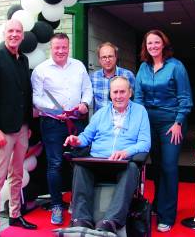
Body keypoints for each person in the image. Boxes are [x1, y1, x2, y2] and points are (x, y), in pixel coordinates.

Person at [64, 76, 151, 234]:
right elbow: (86, 137)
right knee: (80, 167)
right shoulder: (101, 113)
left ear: (130, 93)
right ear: (110, 94)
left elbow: (145, 143)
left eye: (122, 92)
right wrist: (76, 140)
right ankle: (81, 220)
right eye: (115, 92)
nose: (118, 96)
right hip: (98, 161)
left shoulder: (140, 112)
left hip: (123, 164)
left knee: (132, 168)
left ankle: (110, 222)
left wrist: (126, 152)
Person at [0, 19, 37, 237]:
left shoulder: (23, 60)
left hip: (22, 128)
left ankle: (15, 215)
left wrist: (29, 125)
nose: (14, 34)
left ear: (23, 36)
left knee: (16, 174)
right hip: (2, 130)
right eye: (11, 31)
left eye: (18, 31)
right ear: (5, 33)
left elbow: (26, 94)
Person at [134, 29, 193, 232]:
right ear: (146, 46)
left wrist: (178, 122)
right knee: (156, 166)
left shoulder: (176, 66)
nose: (153, 46)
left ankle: (167, 215)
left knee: (169, 167)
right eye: (149, 43)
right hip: (148, 122)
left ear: (163, 44)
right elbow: (138, 97)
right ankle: (158, 206)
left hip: (171, 123)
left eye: (156, 42)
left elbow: (185, 98)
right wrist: (138, 122)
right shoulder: (143, 67)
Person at [31, 32, 93, 225]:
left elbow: (87, 89)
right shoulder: (40, 70)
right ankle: (57, 205)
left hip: (77, 122)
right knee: (55, 164)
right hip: (52, 124)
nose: (60, 51)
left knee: (80, 162)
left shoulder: (79, 66)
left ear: (68, 47)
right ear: (51, 48)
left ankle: (78, 203)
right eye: (57, 47)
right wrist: (53, 109)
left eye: (64, 47)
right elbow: (36, 98)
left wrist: (85, 103)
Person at [90, 42, 135, 112]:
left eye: (110, 56)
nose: (107, 60)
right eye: (104, 57)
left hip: (123, 119)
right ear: (99, 59)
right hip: (101, 121)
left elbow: (134, 100)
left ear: (116, 57)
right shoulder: (93, 77)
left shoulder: (128, 75)